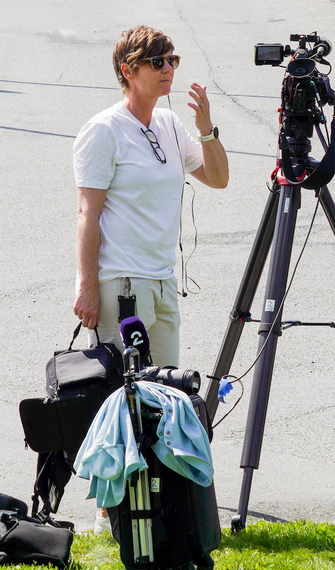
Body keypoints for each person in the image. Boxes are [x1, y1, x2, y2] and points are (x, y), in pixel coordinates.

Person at [72, 26, 229, 366]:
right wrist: (87, 288)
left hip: (162, 281)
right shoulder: (104, 130)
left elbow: (218, 178)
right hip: (122, 285)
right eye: (157, 61)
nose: (168, 69)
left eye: (172, 60)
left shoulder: (169, 123)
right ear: (128, 71)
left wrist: (206, 130)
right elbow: (88, 214)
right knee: (125, 398)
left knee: (167, 393)